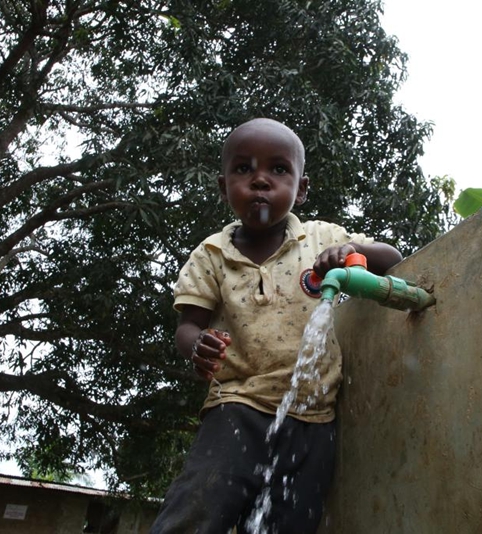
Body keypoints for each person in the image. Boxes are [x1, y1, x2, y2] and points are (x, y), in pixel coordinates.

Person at [150, 118, 402, 533]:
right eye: (244, 169)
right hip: (237, 406)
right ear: (223, 186)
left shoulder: (322, 239)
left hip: (313, 417)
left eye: (278, 169)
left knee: (290, 523)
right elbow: (187, 326)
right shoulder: (211, 255)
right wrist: (198, 345)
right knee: (196, 509)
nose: (260, 180)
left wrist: (351, 251)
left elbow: (391, 259)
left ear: (301, 189)